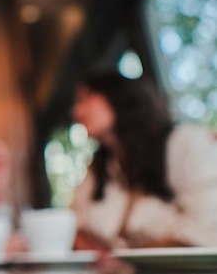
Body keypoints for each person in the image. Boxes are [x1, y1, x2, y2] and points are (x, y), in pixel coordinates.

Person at [70, 70, 217, 250]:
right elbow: (74, 226)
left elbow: (206, 230)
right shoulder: (100, 168)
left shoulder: (184, 143)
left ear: (119, 97)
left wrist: (126, 258)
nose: (77, 112)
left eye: (85, 99)